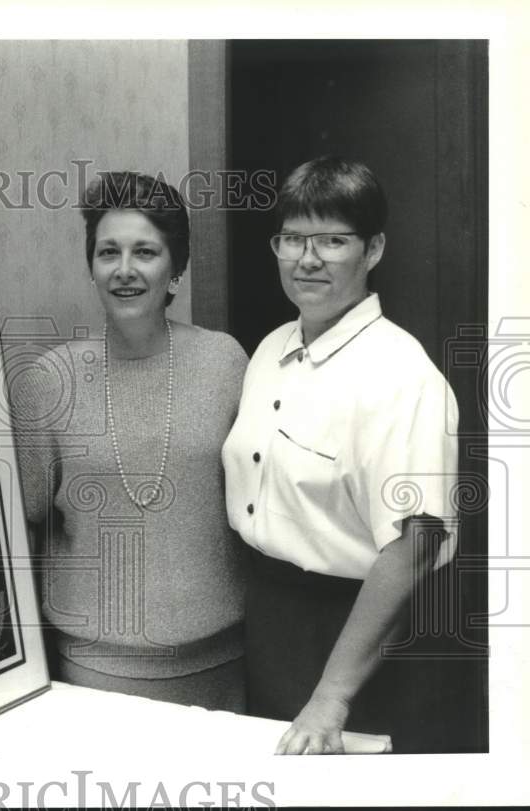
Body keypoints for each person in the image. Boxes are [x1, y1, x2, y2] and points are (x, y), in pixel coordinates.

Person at [222, 156, 459, 753]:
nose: (308, 258)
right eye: (294, 239)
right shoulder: (271, 350)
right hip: (271, 623)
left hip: (356, 640)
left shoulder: (402, 376)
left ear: (373, 250)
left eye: (332, 240)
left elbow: (413, 549)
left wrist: (331, 695)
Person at [13, 172, 249, 709]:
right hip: (94, 669)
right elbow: (25, 524)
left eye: (145, 251)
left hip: (222, 661)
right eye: (107, 253)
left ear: (176, 268)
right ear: (90, 267)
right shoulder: (49, 380)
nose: (124, 270)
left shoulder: (226, 362)